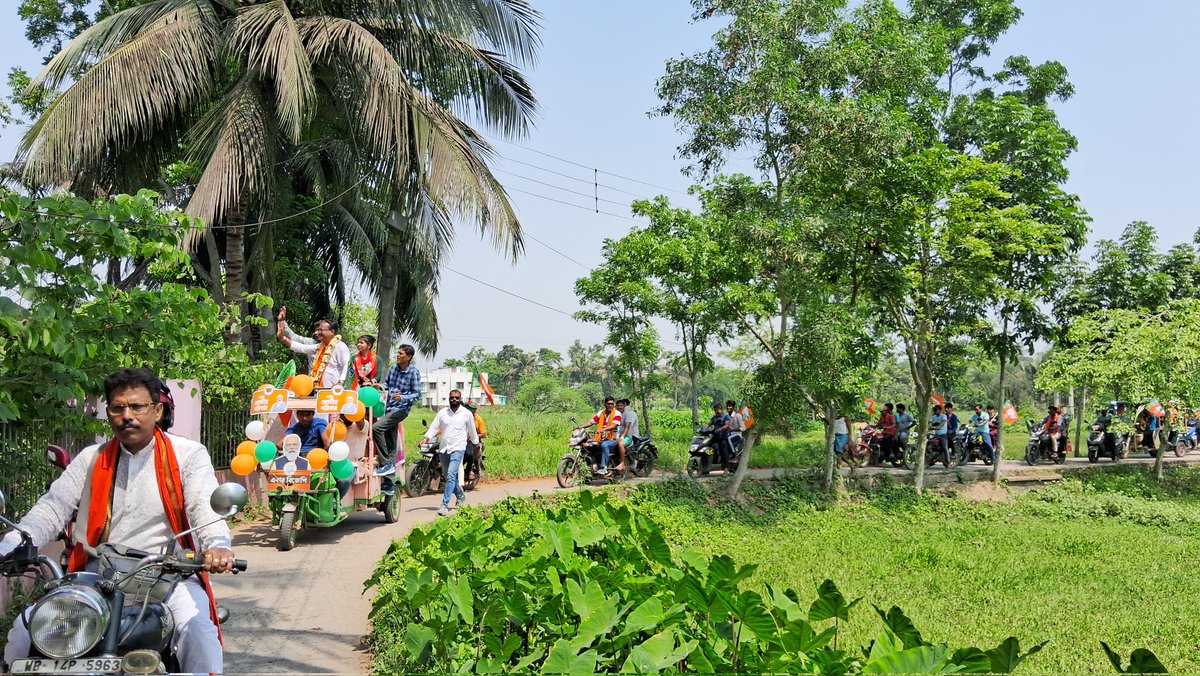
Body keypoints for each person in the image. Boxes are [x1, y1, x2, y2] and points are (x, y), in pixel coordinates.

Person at [0, 368, 235, 674]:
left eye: (137, 406)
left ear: (157, 410)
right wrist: (9, 545)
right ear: (108, 413)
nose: (127, 415)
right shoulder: (91, 458)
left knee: (199, 633)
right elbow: (52, 509)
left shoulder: (187, 455)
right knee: (24, 628)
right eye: (118, 408)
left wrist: (217, 545)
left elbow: (205, 507)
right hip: (96, 578)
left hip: (167, 575)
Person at [422, 390, 479, 517]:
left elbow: (472, 430)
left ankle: (444, 505)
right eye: (452, 397)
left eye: (456, 398)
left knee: (452, 476)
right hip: (444, 449)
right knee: (448, 477)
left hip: (458, 448)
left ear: (460, 399)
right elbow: (433, 427)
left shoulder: (466, 414)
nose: (454, 399)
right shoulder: (442, 413)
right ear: (449, 398)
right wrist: (426, 438)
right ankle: (460, 495)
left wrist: (476, 445)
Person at [374, 344, 420, 495]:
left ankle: (387, 464)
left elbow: (417, 394)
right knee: (390, 443)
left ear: (408, 357)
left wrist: (403, 397)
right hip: (388, 408)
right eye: (398, 353)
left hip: (401, 409)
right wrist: (378, 385)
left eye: (401, 353)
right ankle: (389, 483)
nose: (398, 355)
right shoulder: (394, 368)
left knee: (377, 428)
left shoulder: (413, 372)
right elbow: (387, 385)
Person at [275, 306, 350, 389]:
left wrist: (341, 382)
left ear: (332, 332)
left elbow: (346, 364)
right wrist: (282, 338)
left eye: (321, 330)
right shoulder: (320, 346)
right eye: (317, 330)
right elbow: (301, 347)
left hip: (333, 390)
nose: (317, 333)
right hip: (317, 388)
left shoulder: (340, 346)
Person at [579, 397, 622, 474]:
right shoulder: (601, 413)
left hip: (613, 439)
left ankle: (603, 467)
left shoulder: (617, 413)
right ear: (605, 404)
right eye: (608, 404)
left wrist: (602, 430)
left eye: (612, 404)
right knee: (585, 444)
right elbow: (591, 422)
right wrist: (580, 427)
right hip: (601, 439)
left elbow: (614, 425)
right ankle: (589, 469)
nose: (610, 406)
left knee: (605, 445)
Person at [614, 399, 639, 472]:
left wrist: (621, 436)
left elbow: (628, 427)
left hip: (631, 435)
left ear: (625, 405)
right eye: (618, 405)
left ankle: (627, 462)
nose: (619, 407)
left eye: (621, 405)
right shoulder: (617, 414)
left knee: (622, 445)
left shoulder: (630, 414)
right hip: (620, 435)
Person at [465, 401, 487, 480]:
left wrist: (474, 436)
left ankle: (469, 470)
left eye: (473, 409)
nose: (471, 410)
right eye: (469, 408)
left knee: (470, 455)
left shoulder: (478, 419)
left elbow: (484, 434)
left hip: (475, 442)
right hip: (462, 440)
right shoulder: (462, 417)